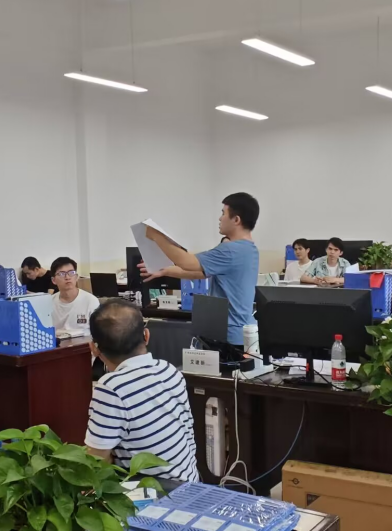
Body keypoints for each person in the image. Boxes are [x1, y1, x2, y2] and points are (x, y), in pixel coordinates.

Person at [85, 300, 199, 482]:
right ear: (146, 335)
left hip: (152, 493)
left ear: (94, 348)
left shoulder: (111, 388)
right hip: (189, 481)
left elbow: (97, 460)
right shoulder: (168, 369)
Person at [142, 193, 260, 345]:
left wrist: (157, 236)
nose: (220, 218)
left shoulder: (231, 250)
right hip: (241, 333)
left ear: (236, 220)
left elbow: (187, 262)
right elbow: (200, 273)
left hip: (229, 335)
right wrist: (165, 270)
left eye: (223, 213)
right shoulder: (249, 249)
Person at [50, 256, 100, 336]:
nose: (67, 277)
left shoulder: (90, 301)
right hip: (57, 342)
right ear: (53, 280)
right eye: (62, 274)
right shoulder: (49, 303)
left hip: (84, 342)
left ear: (76, 277)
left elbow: (98, 332)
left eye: (71, 273)